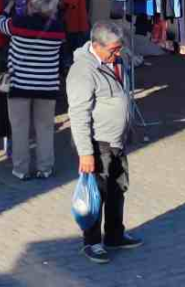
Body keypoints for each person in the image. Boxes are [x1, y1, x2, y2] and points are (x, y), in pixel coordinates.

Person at [67, 20, 142, 264]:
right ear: (96, 46)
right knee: (95, 195)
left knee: (117, 189)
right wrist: (86, 153)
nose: (118, 54)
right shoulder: (83, 71)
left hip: (116, 141)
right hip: (98, 143)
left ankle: (114, 235)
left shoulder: (112, 61)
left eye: (119, 48)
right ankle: (91, 242)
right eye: (113, 50)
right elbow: (78, 115)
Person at [0, 0, 66, 181]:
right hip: (47, 86)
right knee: (44, 129)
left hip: (19, 85)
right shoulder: (58, 28)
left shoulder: (19, 23)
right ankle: (45, 168)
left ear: (33, 3)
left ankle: (21, 169)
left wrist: (7, 8)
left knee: (20, 129)